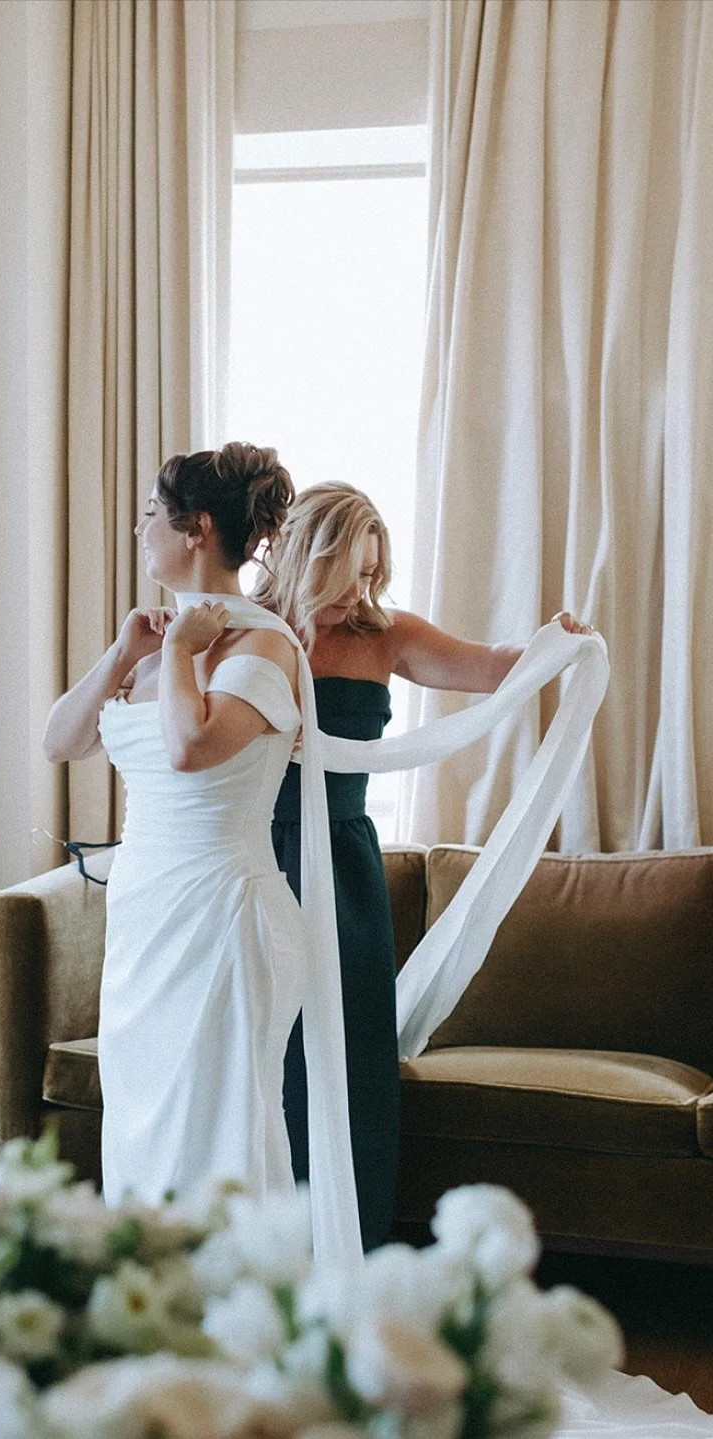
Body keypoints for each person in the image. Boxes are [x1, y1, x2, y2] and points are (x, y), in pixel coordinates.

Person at [254, 481, 592, 1252]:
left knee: (353, 1061)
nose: (364, 592)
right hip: (259, 858)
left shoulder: (386, 634)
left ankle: (352, 1249)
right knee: (274, 1055)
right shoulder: (250, 632)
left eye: (376, 574)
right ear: (312, 556)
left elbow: (494, 669)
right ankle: (264, 1250)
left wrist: (551, 643)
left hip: (343, 871)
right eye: (352, 574)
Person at [43, 444, 359, 1257]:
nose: (141, 527)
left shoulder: (266, 647)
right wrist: (125, 654)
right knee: (145, 1130)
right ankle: (157, 1323)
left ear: (197, 528)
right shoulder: (151, 645)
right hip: (146, 914)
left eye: (152, 512)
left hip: (224, 916)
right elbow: (58, 738)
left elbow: (191, 747)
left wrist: (182, 651)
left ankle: (239, 1337)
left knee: (219, 1130)